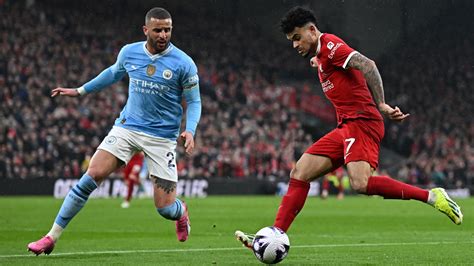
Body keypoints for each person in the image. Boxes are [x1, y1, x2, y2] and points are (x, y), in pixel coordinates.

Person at [235, 6, 462, 248]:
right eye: (291, 41)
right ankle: (274, 236)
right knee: (299, 172)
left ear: (312, 30)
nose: (294, 45)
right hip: (346, 127)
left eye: (297, 38)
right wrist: (317, 60)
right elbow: (328, 64)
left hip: (363, 122)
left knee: (360, 184)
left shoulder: (331, 46)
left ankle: (432, 196)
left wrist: (382, 104)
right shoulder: (322, 55)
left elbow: (368, 65)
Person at [28, 7, 201, 255]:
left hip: (161, 138)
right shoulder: (129, 52)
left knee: (164, 209)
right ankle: (51, 237)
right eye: (158, 30)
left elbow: (194, 101)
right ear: (146, 30)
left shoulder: (184, 63)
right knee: (92, 174)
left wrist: (191, 130)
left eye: (168, 30)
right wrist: (79, 91)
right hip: (127, 127)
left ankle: (181, 211)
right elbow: (112, 74)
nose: (164, 35)